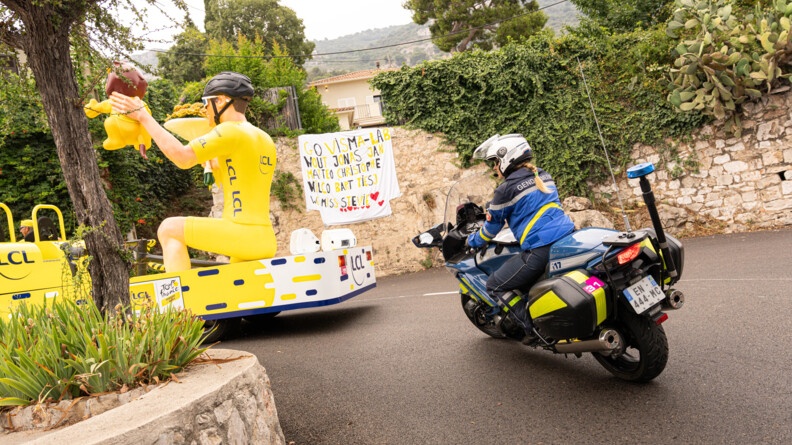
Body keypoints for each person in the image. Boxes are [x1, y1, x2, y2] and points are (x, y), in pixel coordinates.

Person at [110, 71, 277, 272]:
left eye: (207, 101)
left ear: (222, 100)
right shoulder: (263, 138)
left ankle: (179, 302)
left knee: (169, 229)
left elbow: (182, 157)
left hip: (242, 232)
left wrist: (143, 118)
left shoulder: (229, 130)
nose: (205, 107)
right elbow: (233, 174)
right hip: (263, 238)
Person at [466, 134, 575, 342]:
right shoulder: (543, 175)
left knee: (495, 285)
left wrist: (471, 241)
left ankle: (533, 329)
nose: (494, 168)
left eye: (495, 163)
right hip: (567, 235)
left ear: (506, 159)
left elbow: (490, 230)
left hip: (541, 249)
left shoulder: (505, 190)